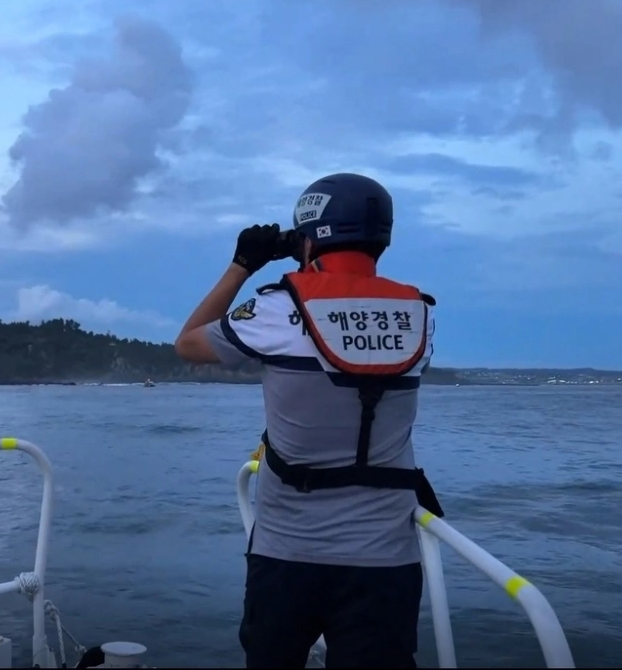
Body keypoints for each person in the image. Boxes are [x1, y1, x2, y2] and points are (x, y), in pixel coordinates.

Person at [173, 173, 442, 669]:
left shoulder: (275, 310)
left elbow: (188, 343)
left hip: (288, 550)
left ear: (310, 238)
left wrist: (242, 265)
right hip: (385, 557)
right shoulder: (419, 317)